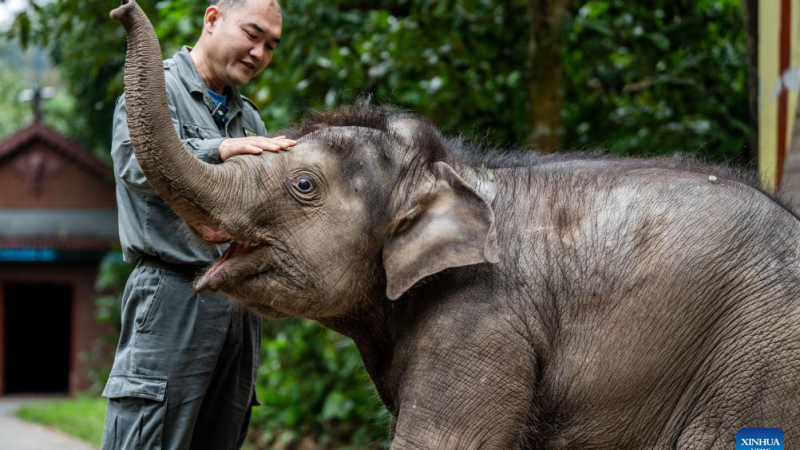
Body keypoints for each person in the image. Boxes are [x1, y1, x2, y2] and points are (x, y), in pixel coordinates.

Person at [102, 0, 295, 449]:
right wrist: (220, 151)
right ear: (212, 19)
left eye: (270, 45)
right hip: (172, 292)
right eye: (252, 33)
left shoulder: (249, 118)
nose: (259, 52)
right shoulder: (155, 88)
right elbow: (135, 163)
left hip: (236, 306)